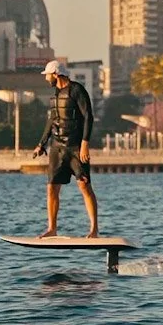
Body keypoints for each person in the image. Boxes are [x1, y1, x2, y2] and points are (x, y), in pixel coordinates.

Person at [31, 60, 99, 238]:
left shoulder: (77, 90)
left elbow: (88, 117)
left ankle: (94, 230)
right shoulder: (55, 93)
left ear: (55, 74)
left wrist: (85, 143)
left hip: (76, 147)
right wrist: (41, 144)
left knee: (84, 186)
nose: (46, 79)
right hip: (57, 148)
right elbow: (51, 120)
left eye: (47, 75)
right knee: (51, 188)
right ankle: (52, 228)